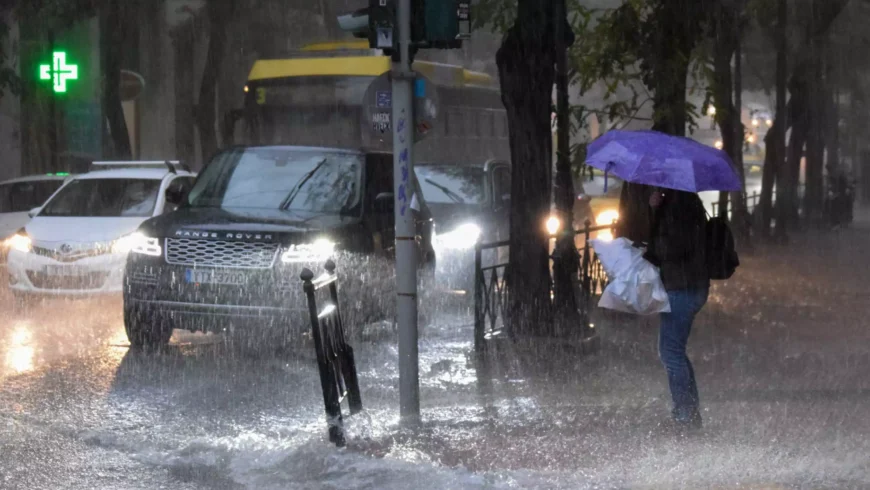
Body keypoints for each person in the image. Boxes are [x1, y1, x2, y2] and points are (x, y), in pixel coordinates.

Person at [643, 187, 710, 430]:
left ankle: (685, 414)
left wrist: (649, 252)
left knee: (670, 352)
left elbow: (673, 248)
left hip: (683, 286)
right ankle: (689, 411)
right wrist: (656, 210)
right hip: (688, 284)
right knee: (675, 351)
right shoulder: (684, 201)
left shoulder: (678, 205)